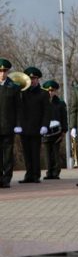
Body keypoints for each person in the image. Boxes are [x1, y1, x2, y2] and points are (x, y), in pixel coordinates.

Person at [19, 67, 50, 184]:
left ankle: (36, 175)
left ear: (38, 79)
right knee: (26, 152)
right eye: (30, 78)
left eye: (34, 78)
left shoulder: (43, 93)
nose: (32, 81)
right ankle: (28, 174)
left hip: (37, 127)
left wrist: (44, 125)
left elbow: (47, 111)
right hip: (24, 127)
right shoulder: (22, 92)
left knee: (35, 152)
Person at [0, 58, 22, 188]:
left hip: (8, 125)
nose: (2, 74)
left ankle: (6, 178)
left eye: (4, 71)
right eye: (0, 71)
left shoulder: (13, 87)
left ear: (8, 72)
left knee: (7, 154)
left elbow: (18, 108)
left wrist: (18, 124)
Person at [42, 80, 68, 180]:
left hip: (57, 132)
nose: (50, 92)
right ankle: (49, 172)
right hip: (46, 132)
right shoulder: (42, 103)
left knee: (55, 152)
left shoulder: (60, 103)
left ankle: (56, 172)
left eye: (52, 90)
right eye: (48, 91)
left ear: (55, 91)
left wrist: (64, 131)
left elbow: (64, 117)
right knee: (47, 154)